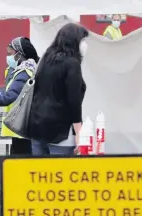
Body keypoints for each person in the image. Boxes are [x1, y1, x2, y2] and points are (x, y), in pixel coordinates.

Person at [27, 23, 89, 155]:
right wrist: (78, 131)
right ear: (74, 41)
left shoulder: (47, 58)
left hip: (37, 125)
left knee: (39, 173)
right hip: (60, 132)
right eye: (82, 40)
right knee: (60, 172)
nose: (84, 44)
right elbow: (74, 100)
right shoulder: (72, 63)